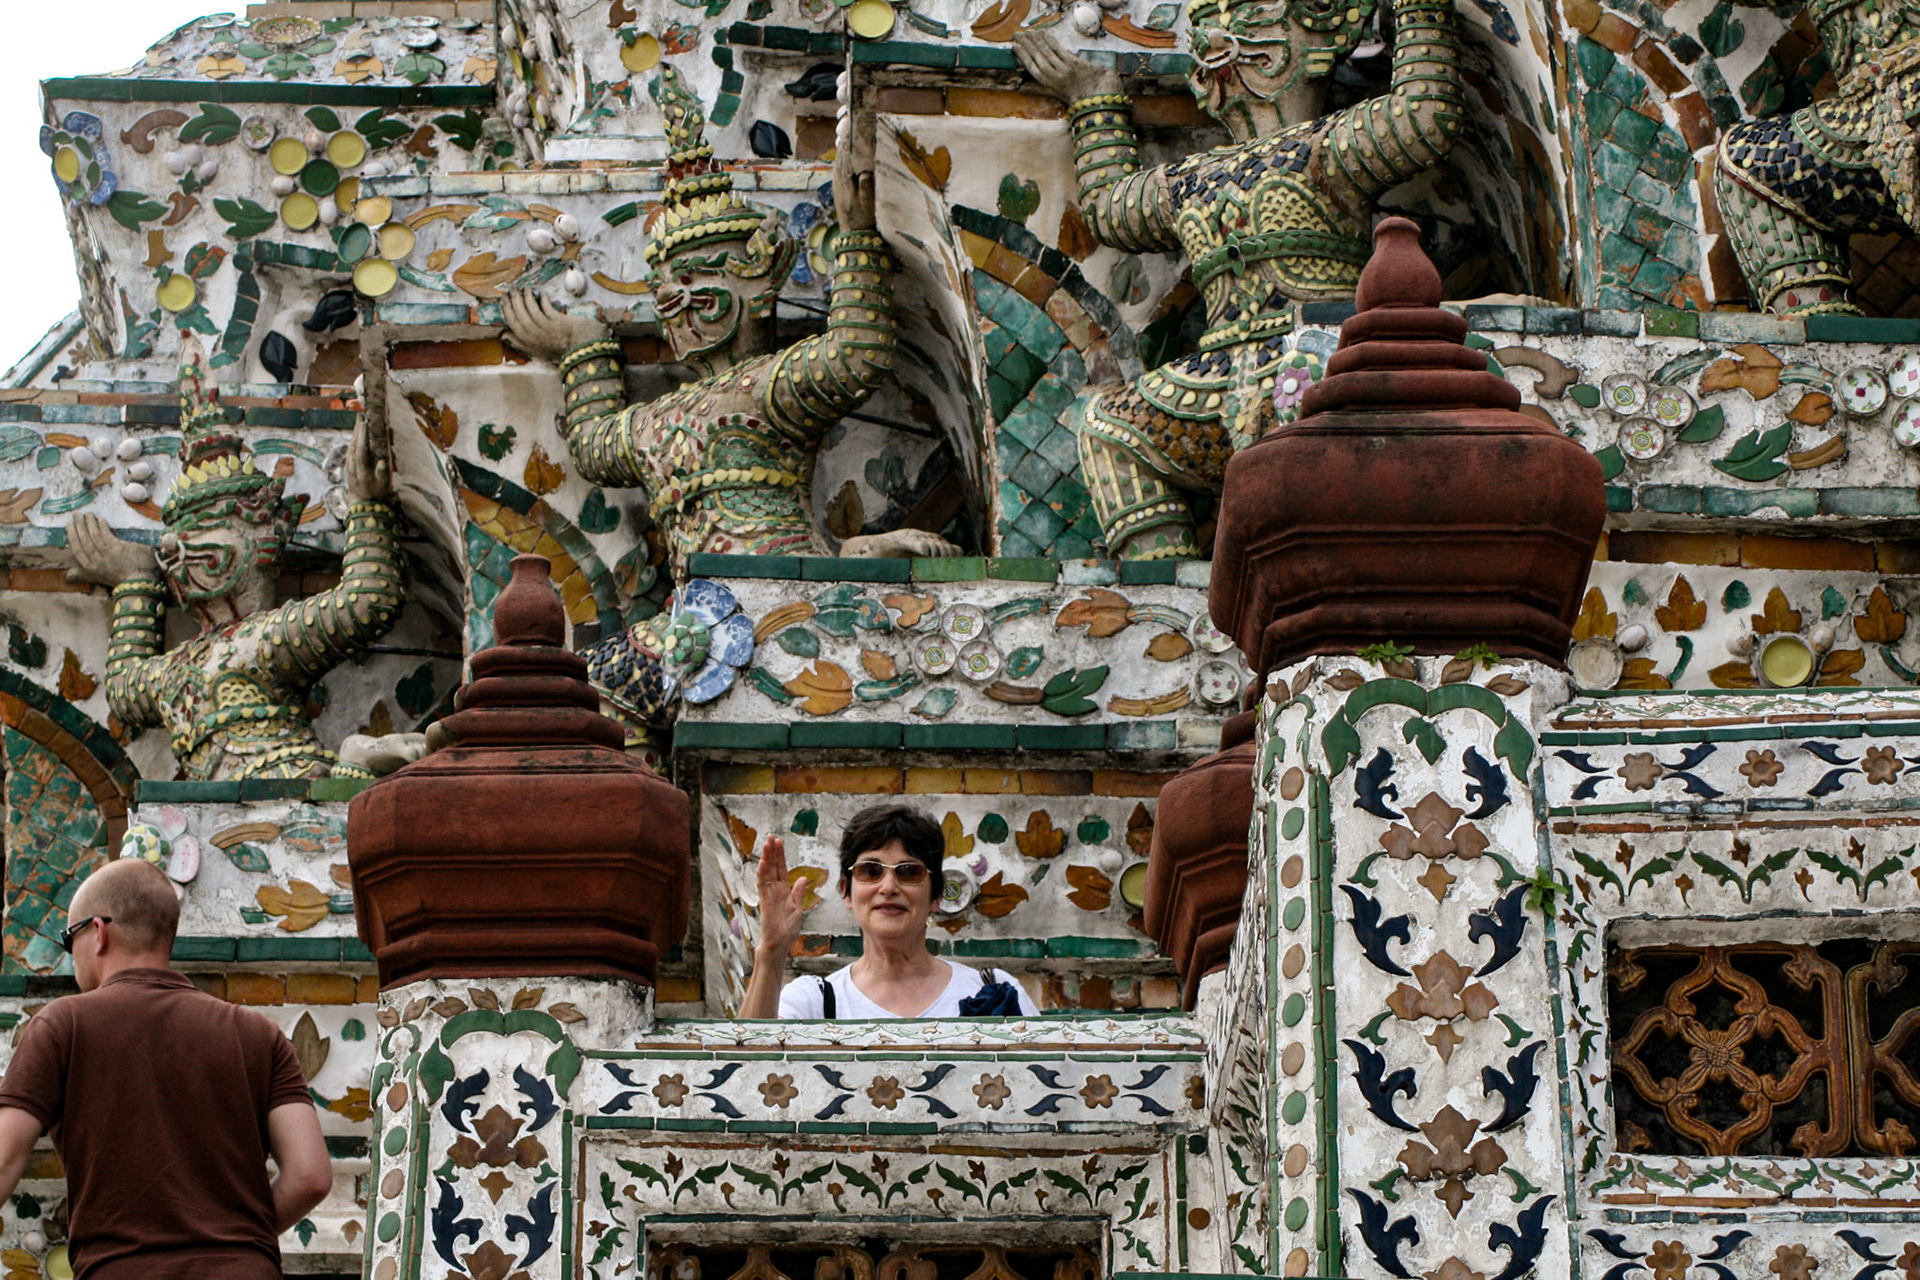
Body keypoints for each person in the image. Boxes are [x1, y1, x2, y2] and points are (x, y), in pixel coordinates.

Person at [0, 859, 333, 1279]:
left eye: (71, 939)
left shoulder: (62, 1024)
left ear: (99, 933)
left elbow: (3, 1157)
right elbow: (311, 1176)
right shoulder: (257, 1034)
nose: (72, 956)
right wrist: (234, 1241)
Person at [740, 804, 1042, 1019]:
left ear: (936, 895)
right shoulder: (815, 1001)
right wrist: (772, 949)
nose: (888, 886)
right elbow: (747, 1070)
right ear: (846, 891)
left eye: (908, 872)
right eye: (870, 871)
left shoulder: (994, 991)